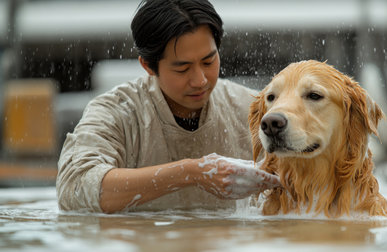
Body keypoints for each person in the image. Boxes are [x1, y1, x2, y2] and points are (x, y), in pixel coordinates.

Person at [56, 0, 280, 213]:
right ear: (148, 66)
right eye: (182, 69)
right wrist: (191, 172)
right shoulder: (116, 112)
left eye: (208, 61)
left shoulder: (248, 106)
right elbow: (75, 188)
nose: (200, 80)